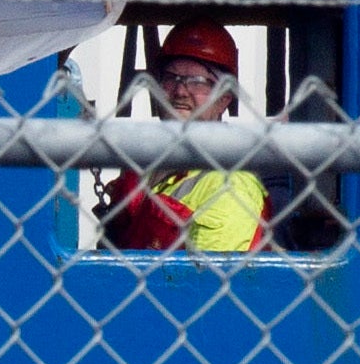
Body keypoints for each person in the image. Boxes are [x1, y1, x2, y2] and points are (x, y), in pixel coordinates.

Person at [97, 22, 272, 252]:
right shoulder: (143, 164)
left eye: (198, 82)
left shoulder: (231, 187)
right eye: (172, 78)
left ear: (224, 98)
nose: (180, 92)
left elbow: (208, 283)